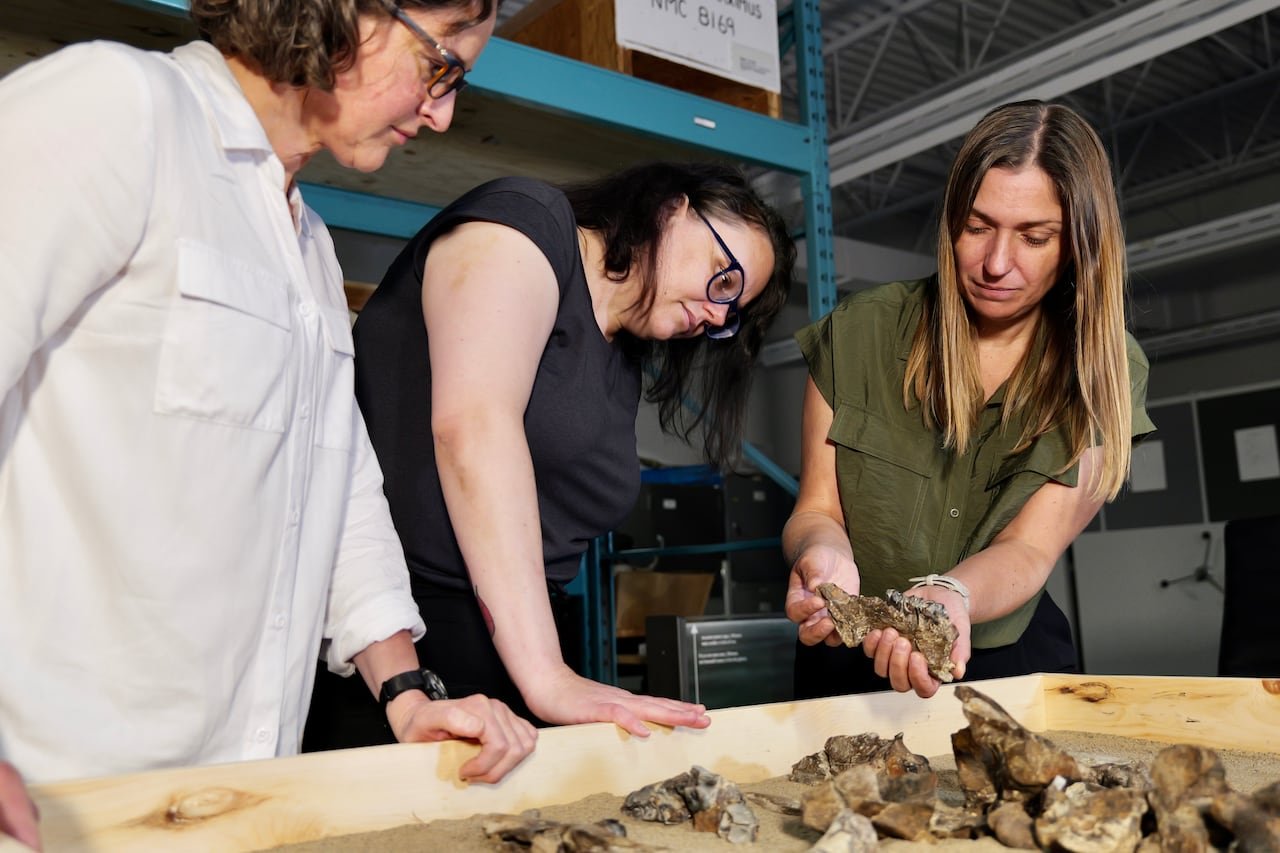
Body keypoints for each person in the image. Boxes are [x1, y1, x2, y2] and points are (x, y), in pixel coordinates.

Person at [0, 0, 537, 844]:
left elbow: (339, 489)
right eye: (442, 66)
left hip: (238, 794)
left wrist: (405, 692)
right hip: (55, 794)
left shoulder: (307, 243)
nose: (442, 111)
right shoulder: (121, 109)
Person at [303, 162, 797, 748]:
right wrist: (547, 676)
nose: (719, 313)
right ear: (671, 209)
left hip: (512, 650)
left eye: (732, 312)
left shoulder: (621, 357)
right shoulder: (526, 223)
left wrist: (544, 672)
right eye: (723, 277)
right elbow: (474, 426)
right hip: (396, 638)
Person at [783, 100, 1156, 700]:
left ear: (1080, 245)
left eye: (1035, 237)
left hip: (1007, 660)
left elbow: (1029, 549)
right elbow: (816, 508)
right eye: (978, 227)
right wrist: (822, 555)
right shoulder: (861, 333)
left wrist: (949, 597)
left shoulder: (1107, 369)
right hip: (847, 663)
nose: (996, 264)